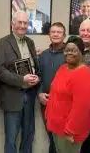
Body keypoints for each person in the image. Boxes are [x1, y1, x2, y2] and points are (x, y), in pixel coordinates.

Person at [0, 10, 40, 153]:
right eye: (19, 22)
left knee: (28, 135)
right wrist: (21, 80)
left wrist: (37, 77)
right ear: (12, 24)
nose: (22, 25)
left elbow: (34, 67)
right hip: (12, 96)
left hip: (30, 94)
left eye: (25, 23)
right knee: (11, 138)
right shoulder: (2, 43)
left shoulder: (30, 42)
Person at [45, 36, 90, 153]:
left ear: (81, 52)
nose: (69, 53)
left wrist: (70, 131)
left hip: (70, 131)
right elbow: (54, 93)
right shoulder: (63, 68)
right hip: (56, 126)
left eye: (73, 50)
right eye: (67, 50)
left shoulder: (84, 75)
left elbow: (82, 108)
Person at [38, 22, 66, 153]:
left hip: (63, 104)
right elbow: (38, 76)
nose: (55, 34)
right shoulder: (43, 55)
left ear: (64, 35)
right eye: (53, 32)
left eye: (59, 32)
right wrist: (39, 93)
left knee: (62, 139)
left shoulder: (69, 54)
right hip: (46, 103)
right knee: (51, 136)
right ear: (49, 34)